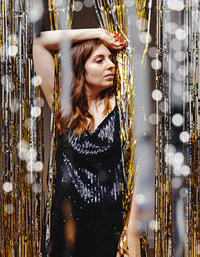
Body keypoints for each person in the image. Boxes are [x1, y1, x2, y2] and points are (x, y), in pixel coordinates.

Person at [33, 28, 141, 257]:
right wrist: (98, 33)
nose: (110, 66)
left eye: (111, 60)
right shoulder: (65, 109)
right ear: (80, 67)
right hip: (67, 231)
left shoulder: (124, 107)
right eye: (99, 60)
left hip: (110, 229)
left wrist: (130, 233)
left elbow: (139, 173)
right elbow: (40, 43)